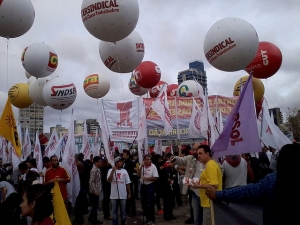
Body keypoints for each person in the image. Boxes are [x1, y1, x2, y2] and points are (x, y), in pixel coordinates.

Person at [203, 144, 300, 225]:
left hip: (232, 192)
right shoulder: (244, 162)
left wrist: (218, 194)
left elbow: (248, 191)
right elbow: (251, 176)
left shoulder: (273, 180)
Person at [171, 143, 204, 225]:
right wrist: (173, 158)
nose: (195, 152)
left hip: (206, 191)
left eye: (197, 150)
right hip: (194, 191)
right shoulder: (191, 158)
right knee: (196, 216)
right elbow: (181, 160)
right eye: (194, 149)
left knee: (206, 216)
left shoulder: (208, 161)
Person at [191, 145, 222, 225]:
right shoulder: (209, 165)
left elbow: (214, 185)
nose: (198, 156)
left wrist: (198, 186)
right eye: (198, 154)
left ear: (207, 153)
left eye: (201, 153)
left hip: (210, 203)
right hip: (207, 202)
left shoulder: (211, 165)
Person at [107, 156, 131, 225]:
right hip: (114, 196)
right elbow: (109, 180)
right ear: (116, 163)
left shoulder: (125, 171)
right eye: (120, 161)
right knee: (114, 212)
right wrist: (113, 171)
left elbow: (127, 182)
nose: (122, 163)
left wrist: (129, 193)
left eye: (122, 161)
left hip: (123, 195)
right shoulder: (110, 170)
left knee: (123, 211)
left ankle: (123, 223)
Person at [137, 154, 159, 225]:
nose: (149, 161)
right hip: (143, 186)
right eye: (147, 159)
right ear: (144, 160)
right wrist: (141, 167)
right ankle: (147, 216)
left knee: (150, 202)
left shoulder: (153, 166)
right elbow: (138, 175)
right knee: (144, 202)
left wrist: (147, 178)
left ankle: (151, 219)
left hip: (150, 185)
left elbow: (155, 178)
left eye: (150, 159)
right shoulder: (142, 166)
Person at [88, 156, 103, 225]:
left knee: (95, 206)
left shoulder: (98, 169)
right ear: (96, 162)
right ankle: (94, 220)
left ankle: (91, 218)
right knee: (95, 206)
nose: (101, 162)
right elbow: (91, 181)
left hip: (97, 190)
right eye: (99, 161)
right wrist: (95, 191)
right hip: (94, 192)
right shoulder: (94, 170)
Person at [122, 149, 136, 217]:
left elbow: (129, 171)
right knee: (127, 196)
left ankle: (132, 210)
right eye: (123, 154)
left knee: (130, 195)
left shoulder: (130, 162)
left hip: (129, 181)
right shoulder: (124, 161)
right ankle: (128, 209)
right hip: (124, 181)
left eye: (124, 154)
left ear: (128, 155)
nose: (123, 155)